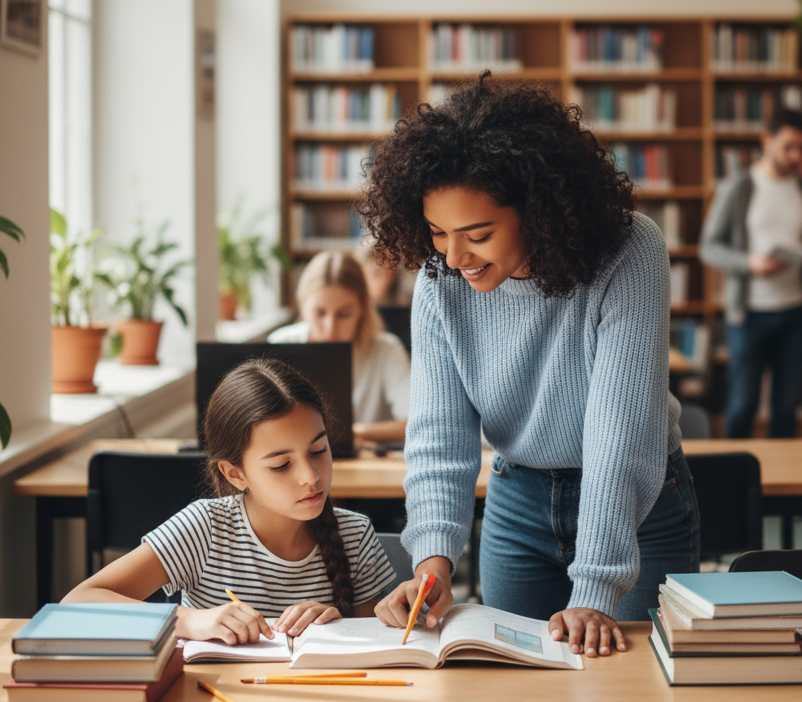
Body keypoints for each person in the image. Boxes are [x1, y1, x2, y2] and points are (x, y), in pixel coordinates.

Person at [361, 77, 700, 659]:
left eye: (478, 235)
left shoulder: (628, 250)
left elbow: (622, 432)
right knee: (517, 698)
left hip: (639, 507)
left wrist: (595, 586)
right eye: (438, 233)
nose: (453, 257)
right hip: (518, 502)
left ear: (539, 210)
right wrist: (432, 562)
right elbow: (441, 438)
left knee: (637, 694)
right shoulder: (441, 282)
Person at [62, 358, 397, 643]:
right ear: (235, 475)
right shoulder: (204, 529)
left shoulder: (355, 534)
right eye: (281, 465)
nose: (310, 476)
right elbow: (78, 602)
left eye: (318, 451)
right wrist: (189, 621)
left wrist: (339, 624)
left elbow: (376, 643)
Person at [699, 107, 802, 439]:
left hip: (796, 312)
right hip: (749, 315)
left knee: (786, 411)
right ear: (766, 140)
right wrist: (749, 264)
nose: (795, 156)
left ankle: (780, 488)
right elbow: (709, 246)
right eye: (788, 146)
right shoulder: (738, 188)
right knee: (742, 406)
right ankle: (733, 486)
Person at [269, 250, 410, 449]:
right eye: (320, 313)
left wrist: (355, 433)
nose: (331, 327)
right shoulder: (279, 345)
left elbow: (417, 423)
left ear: (362, 307)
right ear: (303, 306)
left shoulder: (387, 350)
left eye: (344, 314)